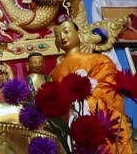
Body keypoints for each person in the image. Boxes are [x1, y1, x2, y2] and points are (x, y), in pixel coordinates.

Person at [50, 20, 132, 153]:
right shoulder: (56, 72)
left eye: (66, 31)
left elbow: (109, 90)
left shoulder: (99, 60)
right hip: (74, 128)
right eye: (57, 35)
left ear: (79, 34)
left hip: (102, 124)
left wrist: (82, 100)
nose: (62, 37)